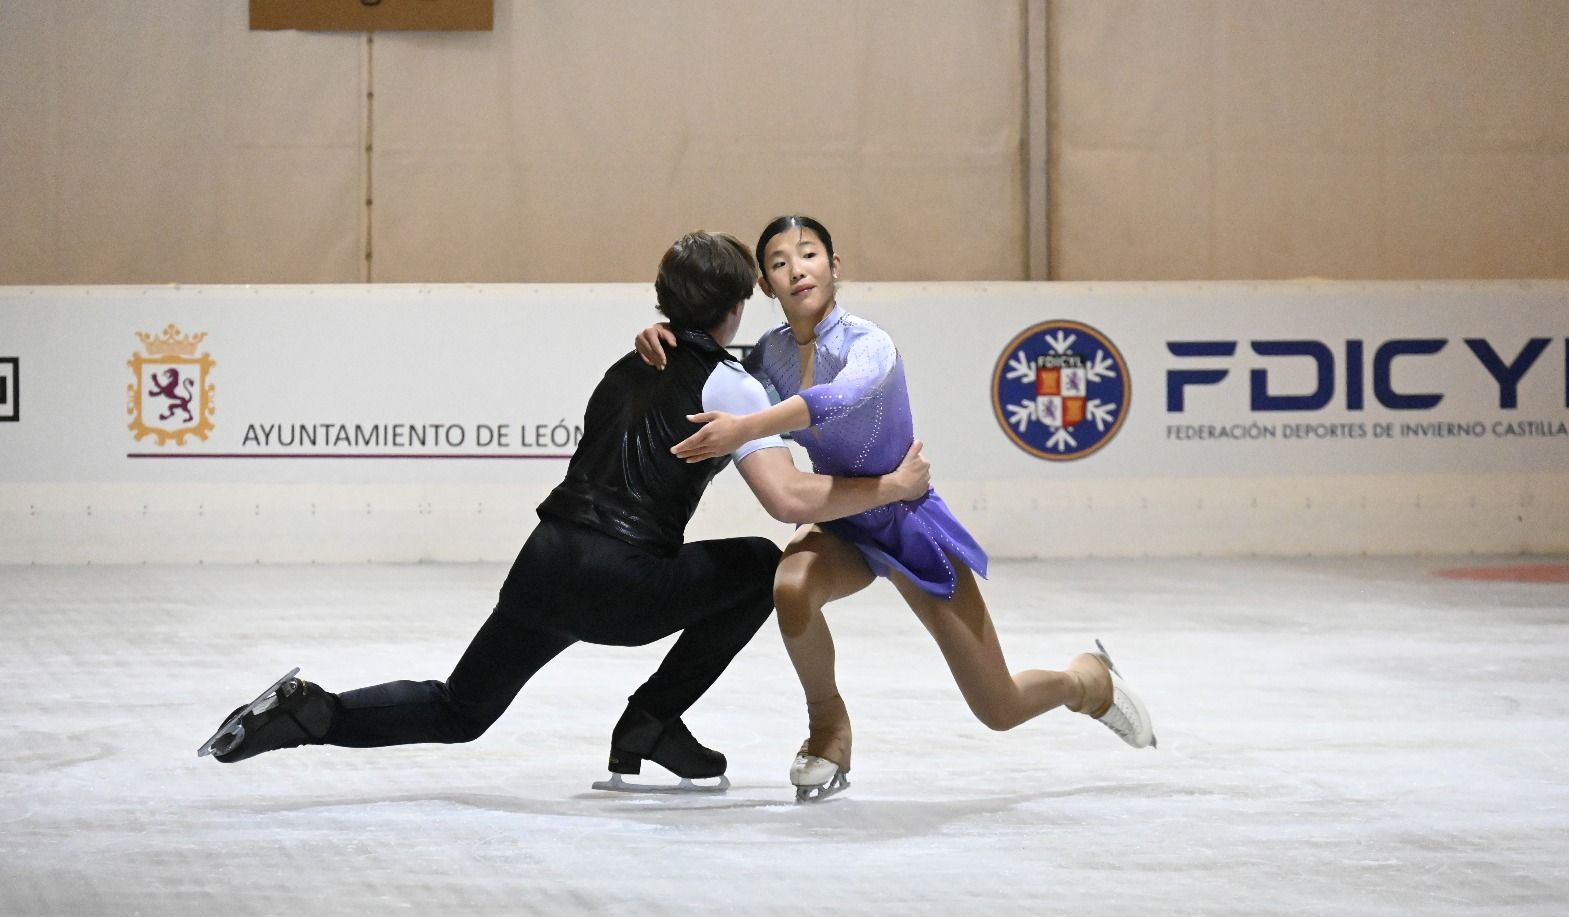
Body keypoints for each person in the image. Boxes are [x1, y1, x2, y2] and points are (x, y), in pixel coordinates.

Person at [197, 231, 931, 792]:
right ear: (738, 306)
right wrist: (893, 488)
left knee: (459, 710)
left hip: (544, 563)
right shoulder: (727, 384)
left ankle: (311, 713)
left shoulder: (628, 365)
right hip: (625, 585)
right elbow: (788, 501)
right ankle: (649, 721)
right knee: (759, 568)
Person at [635, 215, 1155, 800]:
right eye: (779, 262)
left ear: (835, 266)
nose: (796, 270)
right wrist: (664, 336)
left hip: (908, 516)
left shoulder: (868, 343)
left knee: (998, 707)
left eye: (809, 255)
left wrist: (748, 425)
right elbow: (715, 373)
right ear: (765, 285)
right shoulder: (769, 357)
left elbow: (836, 398)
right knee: (790, 586)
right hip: (842, 519)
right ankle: (828, 729)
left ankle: (1086, 681)